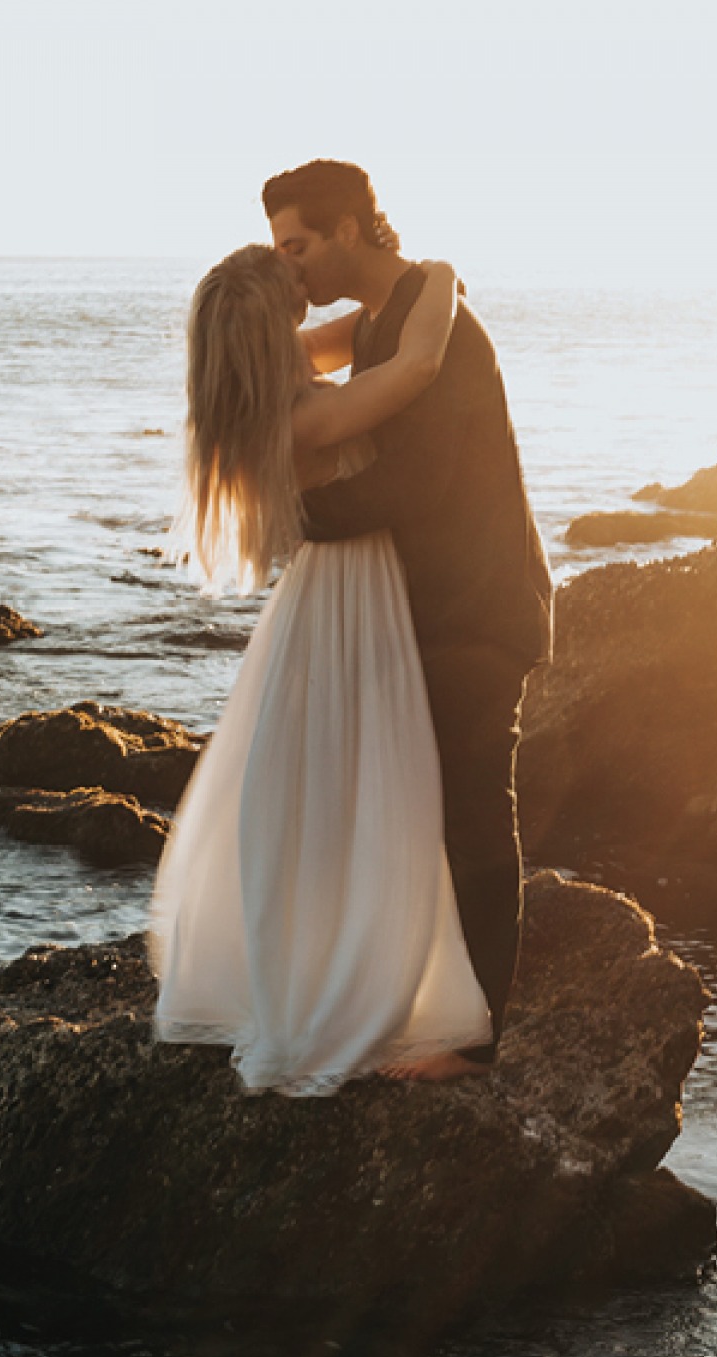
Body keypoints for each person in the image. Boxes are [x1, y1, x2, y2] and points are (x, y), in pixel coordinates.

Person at [148, 239, 495, 1096]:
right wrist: (440, 275)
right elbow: (414, 364)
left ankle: (331, 959)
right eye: (290, 284)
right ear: (273, 324)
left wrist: (369, 297)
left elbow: (350, 334)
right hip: (351, 598)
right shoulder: (305, 417)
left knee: (317, 788)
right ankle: (344, 986)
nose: (305, 285)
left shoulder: (259, 391)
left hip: (327, 598)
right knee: (367, 787)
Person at [262, 160, 553, 1081]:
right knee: (410, 815)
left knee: (471, 815)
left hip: (477, 607)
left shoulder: (444, 330)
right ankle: (413, 1006)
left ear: (349, 228)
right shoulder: (390, 318)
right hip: (425, 606)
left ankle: (476, 1045)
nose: (292, 269)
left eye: (297, 247)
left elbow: (414, 485)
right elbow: (283, 357)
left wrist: (286, 518)